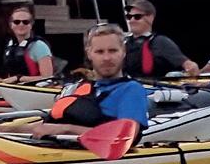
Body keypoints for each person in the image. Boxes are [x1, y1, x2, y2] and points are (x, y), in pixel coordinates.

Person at [22, 22, 150, 138]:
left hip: (94, 153)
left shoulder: (131, 89)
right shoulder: (80, 87)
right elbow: (45, 127)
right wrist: (9, 130)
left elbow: (125, 136)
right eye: (99, 52)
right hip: (51, 147)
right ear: (89, 54)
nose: (106, 58)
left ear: (123, 52)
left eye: (112, 51)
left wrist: (66, 129)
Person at [119, 0, 200, 79]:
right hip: (124, 84)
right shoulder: (122, 42)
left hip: (151, 85)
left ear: (150, 18)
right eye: (129, 17)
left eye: (137, 16)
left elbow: (191, 66)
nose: (132, 20)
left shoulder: (160, 42)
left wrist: (190, 71)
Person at [0, 4, 55, 78]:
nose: (21, 25)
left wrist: (20, 79)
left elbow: (48, 77)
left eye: (25, 22)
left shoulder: (39, 46)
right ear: (11, 25)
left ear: (31, 25)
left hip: (35, 85)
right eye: (16, 22)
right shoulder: (10, 45)